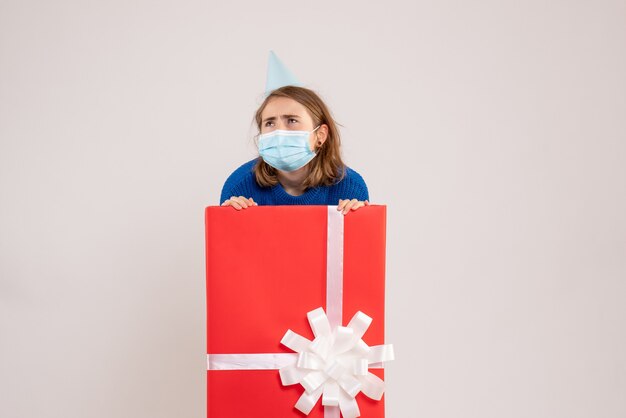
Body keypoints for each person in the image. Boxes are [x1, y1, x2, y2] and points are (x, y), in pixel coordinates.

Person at [220, 85, 370, 215]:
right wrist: (230, 218)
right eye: (270, 123)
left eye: (292, 120)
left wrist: (359, 220)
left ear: (320, 135)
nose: (278, 132)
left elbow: (358, 247)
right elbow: (227, 247)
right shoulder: (239, 185)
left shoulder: (350, 187)